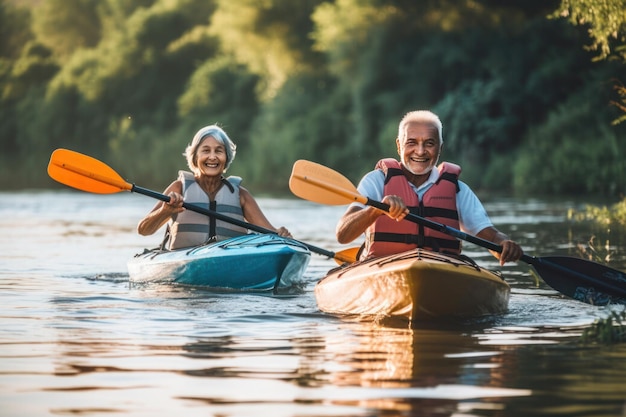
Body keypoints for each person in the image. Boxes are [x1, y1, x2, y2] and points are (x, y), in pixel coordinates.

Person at [335, 110, 523, 265]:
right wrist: (375, 211)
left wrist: (504, 244)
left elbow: (491, 238)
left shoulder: (458, 190)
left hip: (440, 270)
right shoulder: (375, 182)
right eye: (412, 143)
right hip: (382, 267)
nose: (420, 151)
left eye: (429, 144)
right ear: (399, 146)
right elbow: (343, 235)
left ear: (440, 148)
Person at [137, 124, 292, 250]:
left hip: (228, 262)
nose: (212, 157)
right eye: (206, 150)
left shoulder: (241, 195)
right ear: (195, 157)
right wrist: (165, 211)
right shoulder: (179, 188)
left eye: (219, 151)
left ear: (226, 158)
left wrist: (282, 234)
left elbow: (271, 234)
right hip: (183, 264)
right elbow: (144, 230)